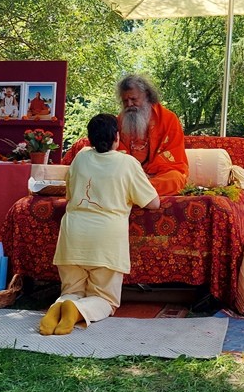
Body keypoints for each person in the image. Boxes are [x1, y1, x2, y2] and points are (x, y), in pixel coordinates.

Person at [40, 113, 160, 335]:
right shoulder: (127, 163)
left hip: (72, 236)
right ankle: (75, 311)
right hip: (106, 240)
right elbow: (153, 203)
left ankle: (59, 306)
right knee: (105, 298)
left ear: (90, 138)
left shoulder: (80, 157)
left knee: (72, 290)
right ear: (117, 136)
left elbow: (69, 189)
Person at [116, 74, 188, 197]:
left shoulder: (168, 119)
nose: (129, 104)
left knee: (175, 179)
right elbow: (115, 152)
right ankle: (140, 192)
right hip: (129, 175)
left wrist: (147, 174)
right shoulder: (119, 121)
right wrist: (135, 172)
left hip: (157, 175)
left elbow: (173, 153)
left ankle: (131, 193)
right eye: (125, 101)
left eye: (133, 99)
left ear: (147, 96)